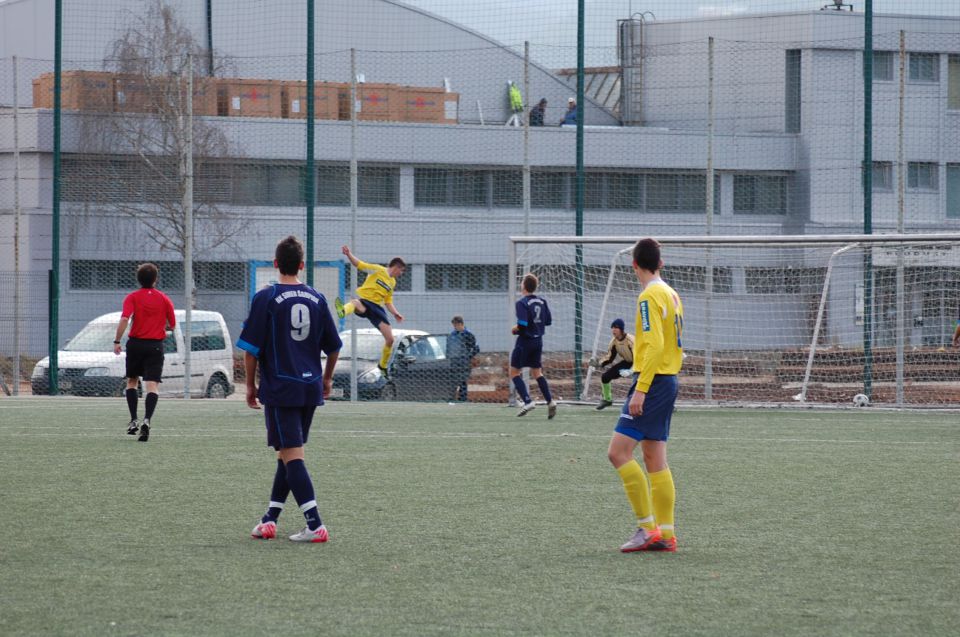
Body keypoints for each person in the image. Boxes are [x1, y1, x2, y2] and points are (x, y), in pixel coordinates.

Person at [238, 235, 342, 543]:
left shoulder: (266, 297)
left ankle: (315, 524)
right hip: (309, 387)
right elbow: (334, 347)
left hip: (281, 387)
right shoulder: (317, 297)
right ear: (300, 265)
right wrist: (326, 379)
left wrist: (249, 386)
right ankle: (269, 519)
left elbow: (250, 350)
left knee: (292, 455)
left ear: (274, 264)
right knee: (287, 453)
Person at [607, 238, 683, 553]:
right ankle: (665, 534)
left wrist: (640, 388)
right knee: (655, 457)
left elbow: (651, 344)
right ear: (661, 263)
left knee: (618, 453)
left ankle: (646, 527)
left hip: (653, 383)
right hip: (668, 381)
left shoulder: (649, 295)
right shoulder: (672, 293)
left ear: (634, 264)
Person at [113, 262, 175, 443]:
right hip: (155, 346)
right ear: (155, 279)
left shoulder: (132, 297)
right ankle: (147, 420)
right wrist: (159, 326)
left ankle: (133, 420)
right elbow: (172, 324)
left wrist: (117, 341)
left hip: (135, 345)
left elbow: (125, 318)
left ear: (138, 279)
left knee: (132, 382)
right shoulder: (164, 299)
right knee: (152, 385)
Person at [335, 246, 406, 375]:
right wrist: (349, 254)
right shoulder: (378, 270)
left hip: (377, 309)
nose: (401, 274)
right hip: (365, 302)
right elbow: (360, 264)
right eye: (401, 271)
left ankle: (383, 366)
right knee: (355, 303)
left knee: (390, 339)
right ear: (396, 267)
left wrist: (396, 313)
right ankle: (343, 311)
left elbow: (388, 301)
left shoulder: (392, 282)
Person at [510, 273, 557, 419]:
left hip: (525, 342)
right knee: (537, 373)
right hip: (538, 341)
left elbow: (523, 325)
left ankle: (527, 401)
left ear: (523, 285)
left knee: (514, 373)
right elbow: (548, 321)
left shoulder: (522, 303)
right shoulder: (542, 302)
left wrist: (515, 329)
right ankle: (550, 401)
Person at [590, 318, 635, 410]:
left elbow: (639, 358)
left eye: (616, 327)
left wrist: (631, 371)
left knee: (643, 383)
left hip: (641, 362)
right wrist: (599, 363)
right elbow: (609, 357)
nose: (613, 330)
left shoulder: (631, 340)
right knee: (605, 377)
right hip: (627, 362)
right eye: (612, 327)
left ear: (622, 329)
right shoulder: (613, 342)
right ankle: (607, 400)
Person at [447, 315, 480, 401]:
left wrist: (467, 357)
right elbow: (449, 348)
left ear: (461, 324)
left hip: (464, 363)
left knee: (462, 382)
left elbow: (476, 348)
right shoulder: (452, 335)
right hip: (453, 362)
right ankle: (452, 399)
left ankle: (462, 400)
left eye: (455, 325)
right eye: (453, 325)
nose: (454, 327)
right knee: (452, 382)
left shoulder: (468, 334)